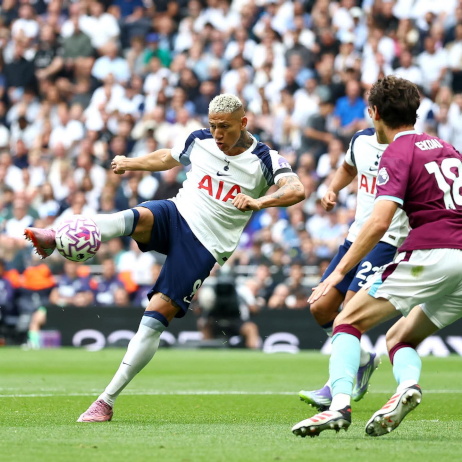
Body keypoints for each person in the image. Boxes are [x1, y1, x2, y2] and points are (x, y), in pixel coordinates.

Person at [24, 94, 305, 422]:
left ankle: (106, 401)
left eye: (225, 127)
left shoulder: (265, 158)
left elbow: (296, 189)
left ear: (243, 123)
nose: (217, 134)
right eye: (213, 125)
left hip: (205, 244)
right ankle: (55, 237)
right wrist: (131, 162)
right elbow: (167, 157)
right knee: (136, 216)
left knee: (154, 318)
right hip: (177, 212)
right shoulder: (199, 140)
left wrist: (259, 202)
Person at [292, 76, 462, 438]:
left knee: (347, 320)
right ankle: (407, 387)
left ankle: (338, 405)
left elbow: (379, 222)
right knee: (400, 337)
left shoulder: (396, 152)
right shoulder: (448, 149)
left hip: (432, 252)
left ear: (375, 113)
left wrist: (336, 272)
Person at [298, 125, 409, 411]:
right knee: (320, 307)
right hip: (356, 237)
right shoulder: (361, 140)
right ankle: (362, 359)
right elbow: (348, 168)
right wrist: (332, 189)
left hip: (387, 240)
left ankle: (336, 388)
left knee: (348, 313)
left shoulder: (408, 147)